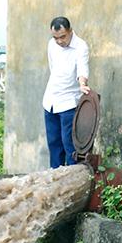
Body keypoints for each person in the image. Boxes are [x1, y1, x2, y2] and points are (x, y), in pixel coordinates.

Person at [42, 16, 90, 168]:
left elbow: (82, 68)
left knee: (69, 145)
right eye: (55, 38)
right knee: (54, 143)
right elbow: (53, 68)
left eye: (62, 37)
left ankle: (72, 179)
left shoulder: (81, 46)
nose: (59, 41)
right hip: (50, 101)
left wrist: (82, 84)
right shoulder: (52, 44)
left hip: (69, 102)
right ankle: (55, 178)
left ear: (70, 31)